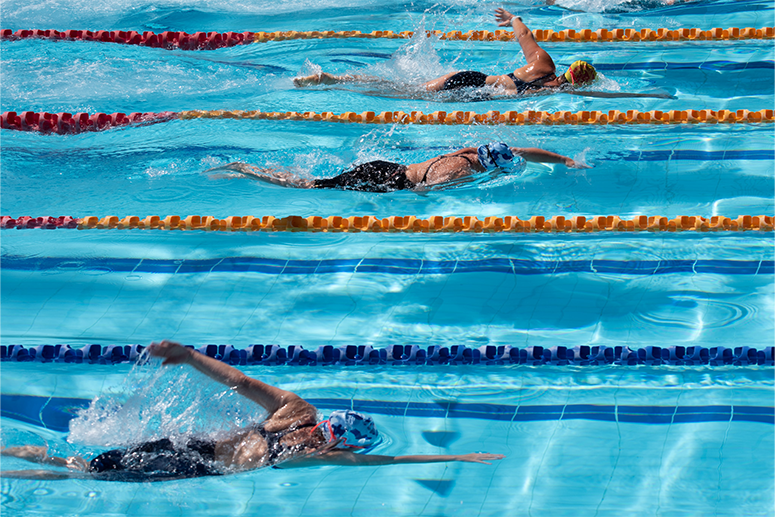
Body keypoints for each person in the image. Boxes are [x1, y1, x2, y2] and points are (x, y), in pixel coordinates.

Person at [1, 340, 504, 481]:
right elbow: (241, 381)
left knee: (88, 473)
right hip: (189, 450)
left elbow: (388, 464)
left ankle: (9, 471)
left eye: (327, 439)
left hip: (196, 470)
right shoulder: (294, 411)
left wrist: (456, 461)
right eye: (323, 430)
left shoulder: (319, 458)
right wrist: (187, 357)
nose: (317, 438)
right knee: (91, 463)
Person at [294, 8, 670, 99]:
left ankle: (334, 79)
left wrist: (514, 17)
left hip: (474, 80)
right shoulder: (558, 89)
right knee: (401, 92)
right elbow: (609, 95)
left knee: (404, 89)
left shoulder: (544, 65)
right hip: (470, 88)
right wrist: (645, 95)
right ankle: (334, 81)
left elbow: (527, 38)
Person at [206, 142, 588, 193]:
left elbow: (526, 150)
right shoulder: (461, 171)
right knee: (310, 187)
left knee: (318, 181)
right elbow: (424, 192)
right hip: (386, 179)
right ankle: (247, 170)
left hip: (389, 166)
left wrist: (566, 160)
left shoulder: (475, 151)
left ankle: (257, 166)